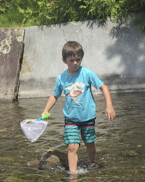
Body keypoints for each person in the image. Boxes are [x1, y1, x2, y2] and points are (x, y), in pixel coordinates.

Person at [41, 41, 115, 174]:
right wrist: (46, 110)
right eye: (71, 60)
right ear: (64, 60)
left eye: (78, 59)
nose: (75, 63)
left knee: (90, 143)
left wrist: (109, 106)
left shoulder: (87, 74)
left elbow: (104, 87)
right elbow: (54, 96)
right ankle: (73, 175)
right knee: (72, 146)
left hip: (88, 117)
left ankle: (92, 163)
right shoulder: (61, 78)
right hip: (71, 119)